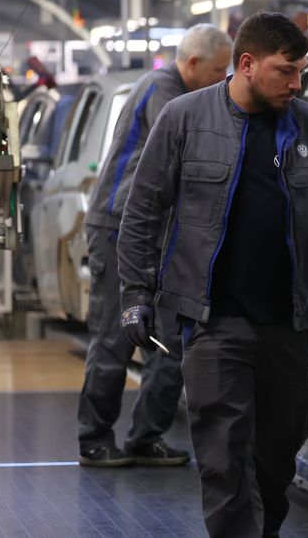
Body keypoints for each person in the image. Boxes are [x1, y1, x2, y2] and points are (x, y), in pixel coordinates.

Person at [116, 12, 308, 537]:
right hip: (212, 321)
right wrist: (136, 296)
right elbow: (142, 212)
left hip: (287, 323)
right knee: (223, 456)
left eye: (301, 73)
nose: (297, 84)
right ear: (247, 65)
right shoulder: (184, 119)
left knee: (278, 454)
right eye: (287, 71)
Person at [77, 24, 233, 467]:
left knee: (169, 342)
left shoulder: (186, 91)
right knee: (114, 337)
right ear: (193, 64)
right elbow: (191, 149)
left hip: (162, 235)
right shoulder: (162, 91)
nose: (224, 79)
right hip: (118, 227)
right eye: (219, 70)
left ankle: (146, 436)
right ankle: (93, 437)